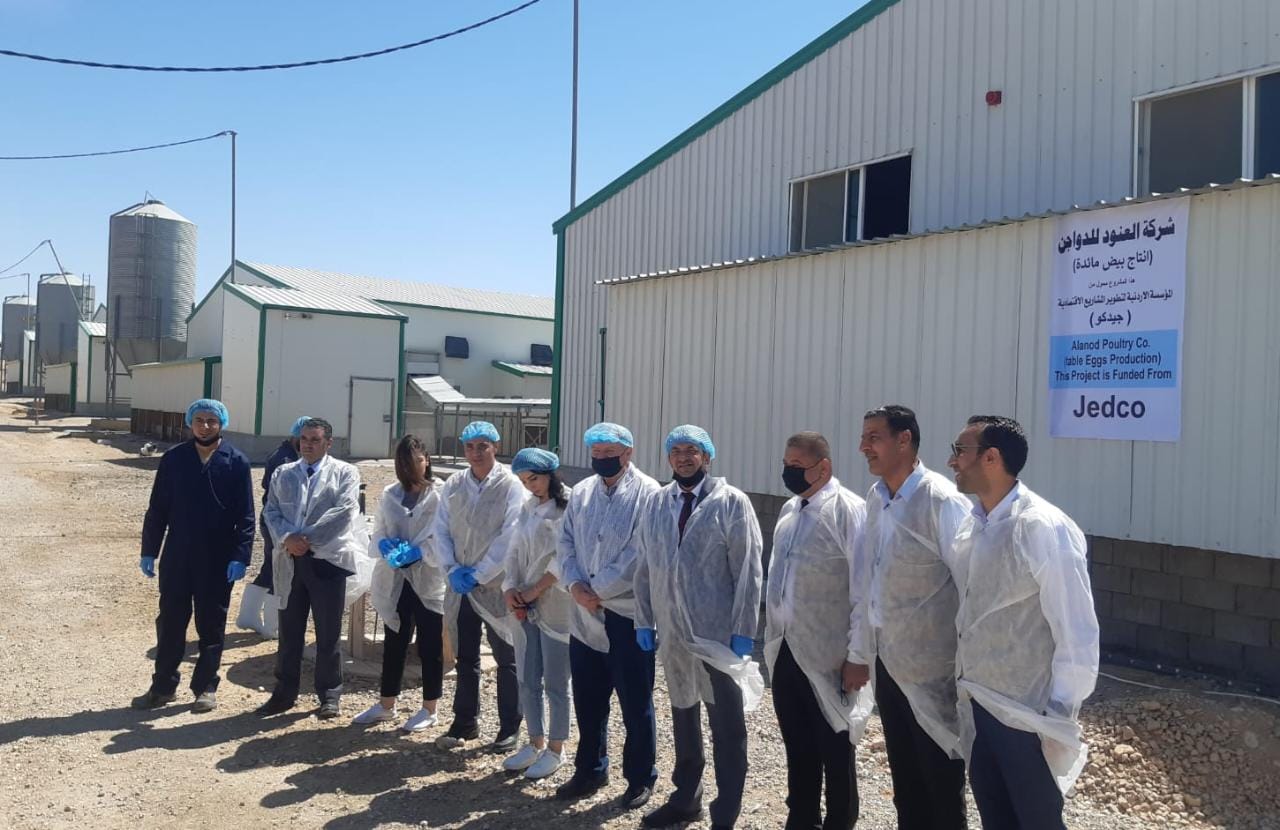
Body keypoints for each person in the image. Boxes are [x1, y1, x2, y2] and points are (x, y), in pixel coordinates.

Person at [946, 416, 1099, 830]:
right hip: (980, 703)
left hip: (1028, 716)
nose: (952, 461)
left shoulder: (1041, 526)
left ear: (991, 458)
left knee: (1036, 820)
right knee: (997, 818)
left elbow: (1076, 629)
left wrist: (1058, 716)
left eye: (960, 451)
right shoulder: (973, 524)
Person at [635, 425, 763, 830]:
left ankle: (726, 811)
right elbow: (645, 565)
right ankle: (686, 798)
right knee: (683, 712)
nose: (684, 457)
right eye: (676, 451)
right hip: (673, 633)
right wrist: (644, 619)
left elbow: (748, 569)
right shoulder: (658, 502)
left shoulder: (731, 502)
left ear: (707, 456)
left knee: (726, 725)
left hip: (717, 634)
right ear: (668, 458)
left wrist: (744, 630)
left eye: (692, 450)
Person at [853, 405, 971, 830]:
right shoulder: (876, 498)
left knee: (941, 782)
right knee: (906, 783)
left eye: (874, 437)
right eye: (864, 437)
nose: (864, 447)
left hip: (933, 674)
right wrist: (860, 651)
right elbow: (868, 581)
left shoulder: (940, 500)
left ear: (904, 440)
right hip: (889, 664)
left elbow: (969, 585)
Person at [764, 431, 871, 830]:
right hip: (786, 648)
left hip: (831, 655)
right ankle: (802, 817)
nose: (788, 473)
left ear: (823, 467)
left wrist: (858, 656)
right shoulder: (791, 511)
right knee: (798, 742)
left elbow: (864, 590)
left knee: (836, 745)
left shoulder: (849, 511)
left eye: (797, 466)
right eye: (785, 464)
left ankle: (840, 820)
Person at [555, 422, 662, 809]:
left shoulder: (649, 494)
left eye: (609, 453)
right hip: (583, 612)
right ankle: (590, 769)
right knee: (588, 698)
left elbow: (641, 553)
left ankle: (640, 777)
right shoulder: (583, 491)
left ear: (628, 453)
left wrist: (597, 590)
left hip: (626, 614)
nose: (601, 459)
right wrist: (574, 585)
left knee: (635, 702)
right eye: (596, 452)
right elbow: (565, 541)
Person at [132, 398, 255, 713]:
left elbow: (245, 515)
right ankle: (162, 687)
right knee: (171, 622)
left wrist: (240, 555)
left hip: (217, 557)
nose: (205, 426)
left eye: (212, 421)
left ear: (221, 424)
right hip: (178, 553)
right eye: (199, 420)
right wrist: (149, 550)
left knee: (211, 625)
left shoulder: (236, 461)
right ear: (190, 422)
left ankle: (205, 688)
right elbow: (157, 509)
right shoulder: (174, 459)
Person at [260, 417, 369, 719]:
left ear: (328, 443)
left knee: (327, 634)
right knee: (289, 632)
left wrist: (305, 539)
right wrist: (287, 538)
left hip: (327, 562)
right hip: (290, 561)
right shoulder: (284, 473)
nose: (307, 445)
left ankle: (329, 695)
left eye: (315, 440)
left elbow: (344, 511)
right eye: (304, 439)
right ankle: (284, 693)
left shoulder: (345, 473)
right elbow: (271, 510)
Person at [432, 420, 525, 752]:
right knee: (466, 656)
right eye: (470, 446)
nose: (476, 453)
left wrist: (481, 573)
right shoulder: (455, 484)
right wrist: (451, 569)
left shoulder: (511, 485)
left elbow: (511, 534)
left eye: (483, 446)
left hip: (498, 586)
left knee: (507, 656)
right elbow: (440, 528)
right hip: (461, 585)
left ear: (495, 447)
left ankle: (510, 726)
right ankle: (465, 721)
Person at [355, 434, 446, 732]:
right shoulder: (391, 494)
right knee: (394, 641)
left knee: (430, 644)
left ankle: (430, 708)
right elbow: (380, 529)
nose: (410, 468)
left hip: (429, 580)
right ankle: (386, 704)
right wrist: (384, 545)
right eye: (404, 462)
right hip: (396, 580)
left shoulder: (441, 494)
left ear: (427, 460)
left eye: (416, 461)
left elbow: (447, 537)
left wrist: (420, 551)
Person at [501, 447, 573, 780]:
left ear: (550, 475)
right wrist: (510, 588)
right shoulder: (527, 507)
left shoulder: (569, 506)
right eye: (524, 481)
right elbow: (514, 550)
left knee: (556, 680)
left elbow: (564, 557)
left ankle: (556, 747)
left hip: (556, 603)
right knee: (528, 677)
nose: (530, 486)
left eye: (534, 479)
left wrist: (536, 589)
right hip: (524, 602)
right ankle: (534, 741)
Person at [236, 414, 310, 638]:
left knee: (270, 567)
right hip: (276, 523)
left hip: (276, 521)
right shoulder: (285, 459)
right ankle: (271, 625)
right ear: (296, 436)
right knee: (278, 569)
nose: (307, 443)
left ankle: (249, 615)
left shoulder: (285, 453)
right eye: (304, 438)